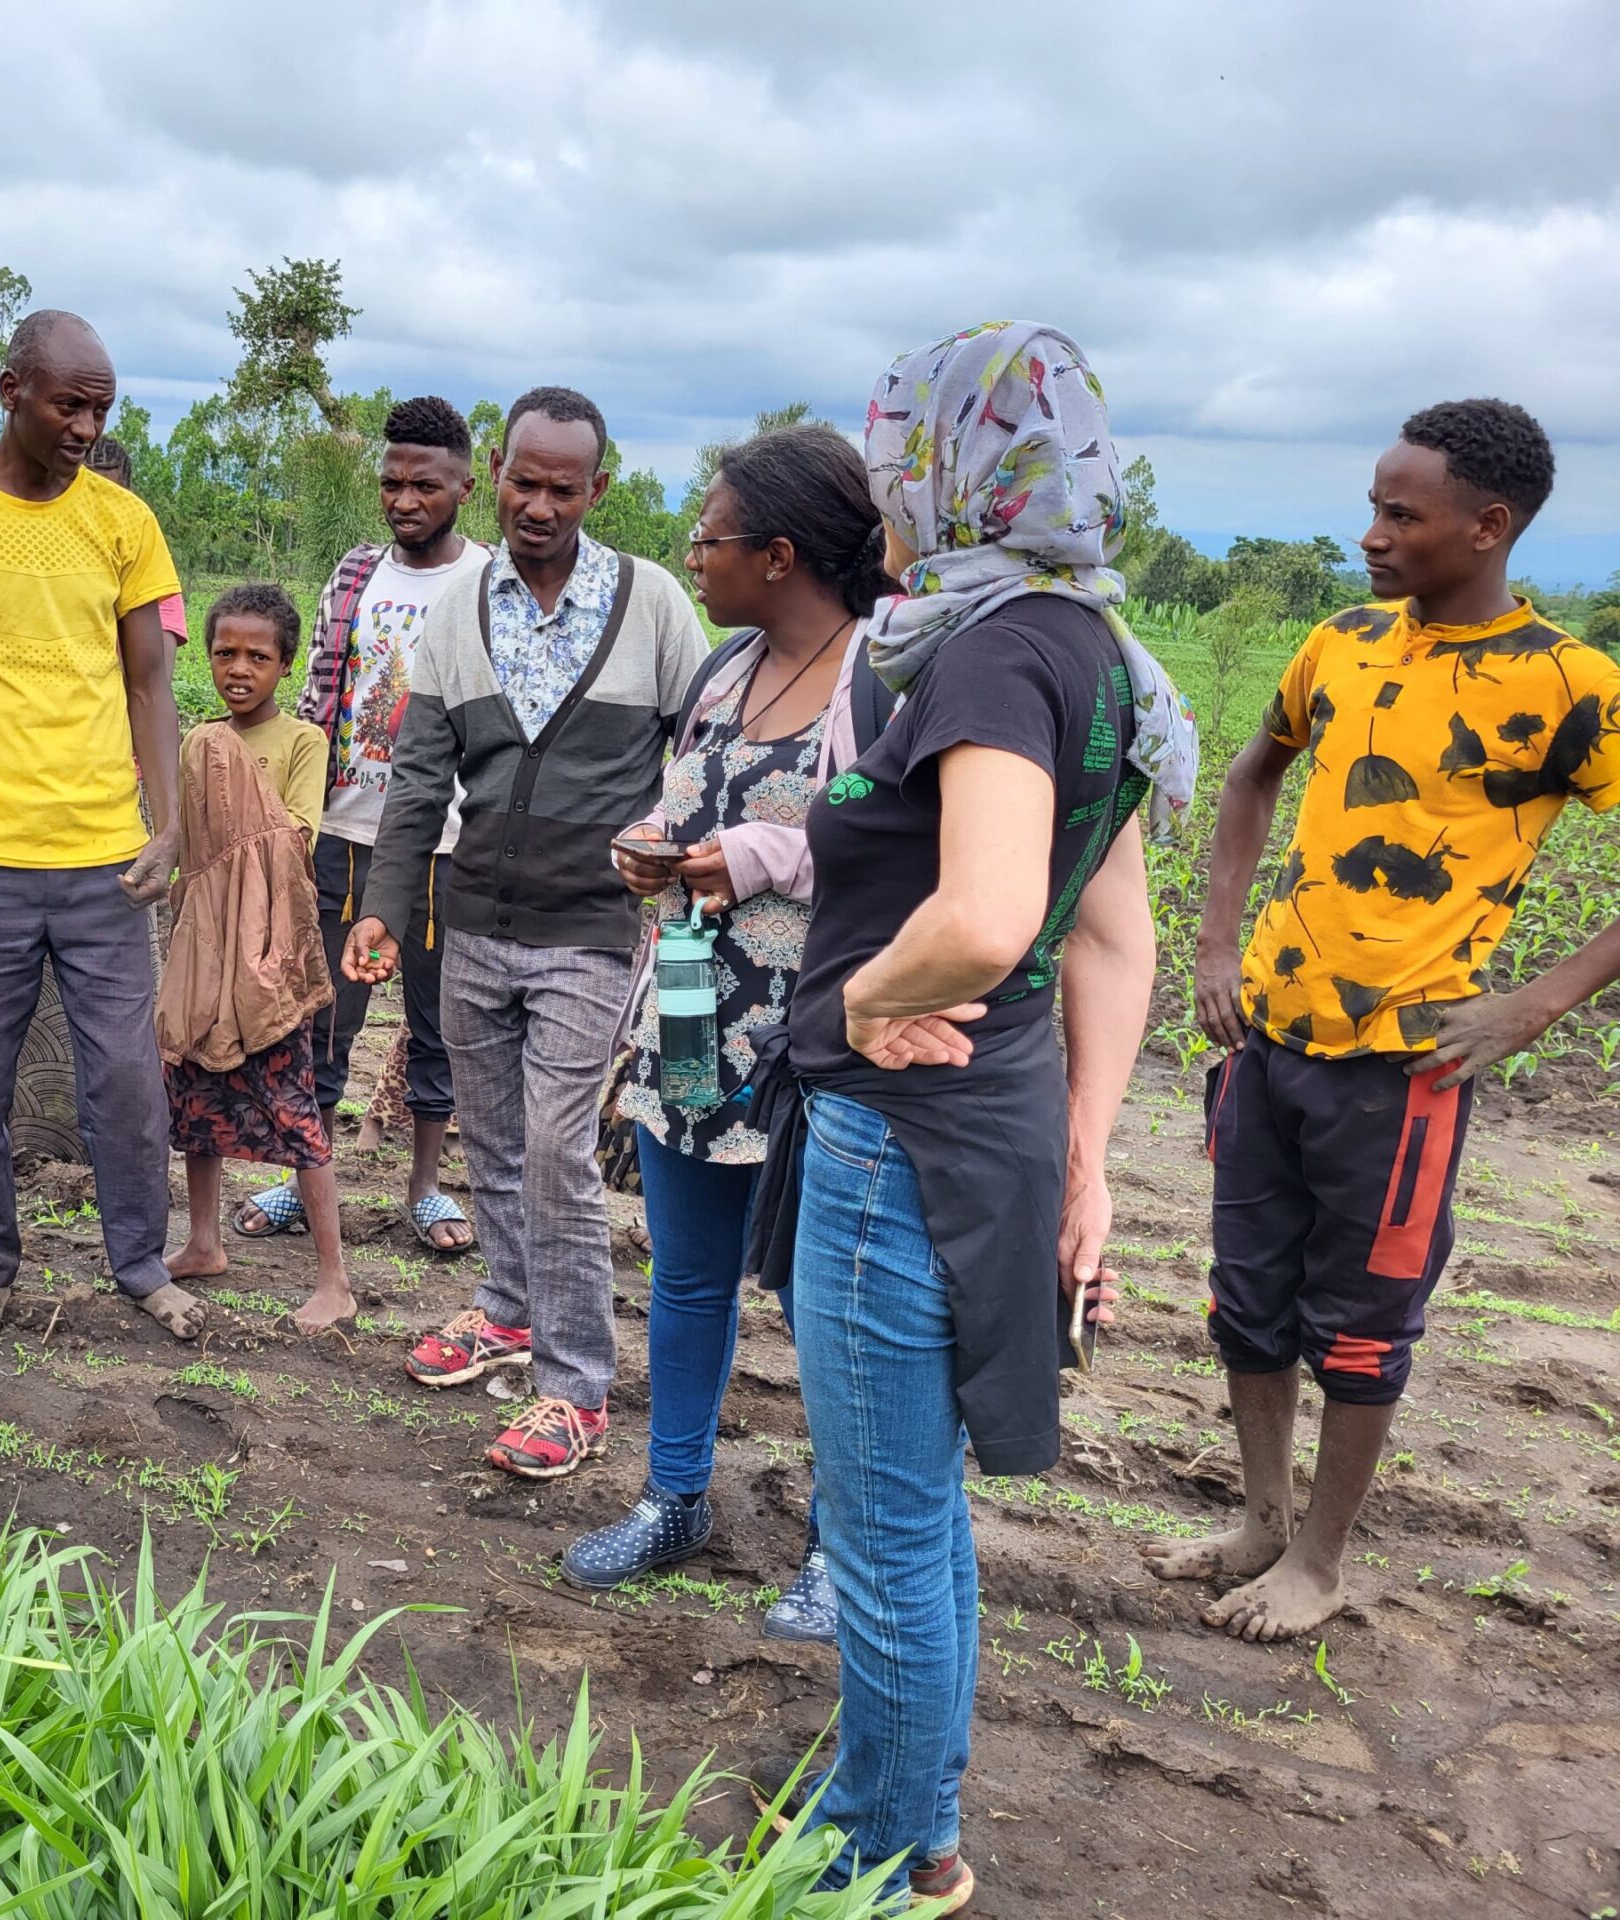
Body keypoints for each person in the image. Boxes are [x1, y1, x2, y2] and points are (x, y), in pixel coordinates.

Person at [779, 323, 1190, 1913]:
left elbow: (999, 913)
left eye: (898, 455)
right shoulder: (1098, 649)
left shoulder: (982, 650)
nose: (886, 484)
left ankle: (891, 1856)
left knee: (883, 1522)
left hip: (910, 1140)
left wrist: (870, 999)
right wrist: (1089, 1154)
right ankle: (901, 1794)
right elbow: (1111, 929)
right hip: (1006, 1118)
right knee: (917, 1501)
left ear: (955, 463)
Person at [1150, 398, 1620, 1644]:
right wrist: (1214, 942)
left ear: (1488, 526)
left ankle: (1319, 1559)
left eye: (1398, 515)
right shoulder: (1341, 643)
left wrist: (1536, 1003)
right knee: (1245, 1299)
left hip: (1404, 1068)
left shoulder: (1567, 687)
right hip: (1270, 1040)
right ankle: (1256, 1519)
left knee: (1360, 1330)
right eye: (1372, 505)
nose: (1369, 534)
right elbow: (1252, 773)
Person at [559, 425, 894, 1646]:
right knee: (687, 1277)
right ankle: (674, 1499)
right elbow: (684, 796)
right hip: (695, 1023)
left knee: (822, 1313)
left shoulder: (881, 674)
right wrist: (650, 844)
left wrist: (746, 854)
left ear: (781, 552)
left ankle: (835, 1545)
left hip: (809, 1048)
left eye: (709, 536)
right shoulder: (724, 670)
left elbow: (888, 843)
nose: (691, 556)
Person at [345, 387, 712, 1480]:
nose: (538, 506)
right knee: (493, 1139)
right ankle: (506, 1306)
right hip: (475, 921)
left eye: (563, 489)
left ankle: (572, 1387)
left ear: (598, 490)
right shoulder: (460, 610)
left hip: (591, 928)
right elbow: (419, 779)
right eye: (523, 482)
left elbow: (698, 755)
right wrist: (383, 905)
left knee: (556, 1149)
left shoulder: (650, 607)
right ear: (496, 471)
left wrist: (681, 863)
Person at [0, 310, 203, 1351]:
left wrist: (170, 820)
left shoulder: (119, 521)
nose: (88, 425)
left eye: (102, 407)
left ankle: (140, 1263)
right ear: (9, 388)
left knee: (124, 1080)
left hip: (104, 858)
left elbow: (152, 680)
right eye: (69, 403)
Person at [249, 395, 487, 1254]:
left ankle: (425, 1189)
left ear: (465, 483)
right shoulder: (354, 574)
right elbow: (319, 700)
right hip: (345, 832)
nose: (404, 500)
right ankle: (300, 1175)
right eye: (391, 484)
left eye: (425, 484)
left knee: (440, 1024)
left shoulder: (488, 582)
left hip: (448, 844)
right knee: (322, 1018)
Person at [156, 584, 352, 1331]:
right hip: (206, 944)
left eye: (258, 657)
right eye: (224, 653)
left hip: (267, 951)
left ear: (285, 665)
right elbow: (181, 839)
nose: (239, 669)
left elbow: (293, 838)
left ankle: (335, 1278)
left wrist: (226, 770)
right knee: (195, 1102)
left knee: (295, 1107)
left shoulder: (301, 742)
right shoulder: (196, 740)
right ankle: (203, 1242)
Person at [85, 436, 186, 642]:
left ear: (130, 498)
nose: (99, 511)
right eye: (87, 496)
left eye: (111, 497)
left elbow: (158, 671)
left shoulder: (153, 575)